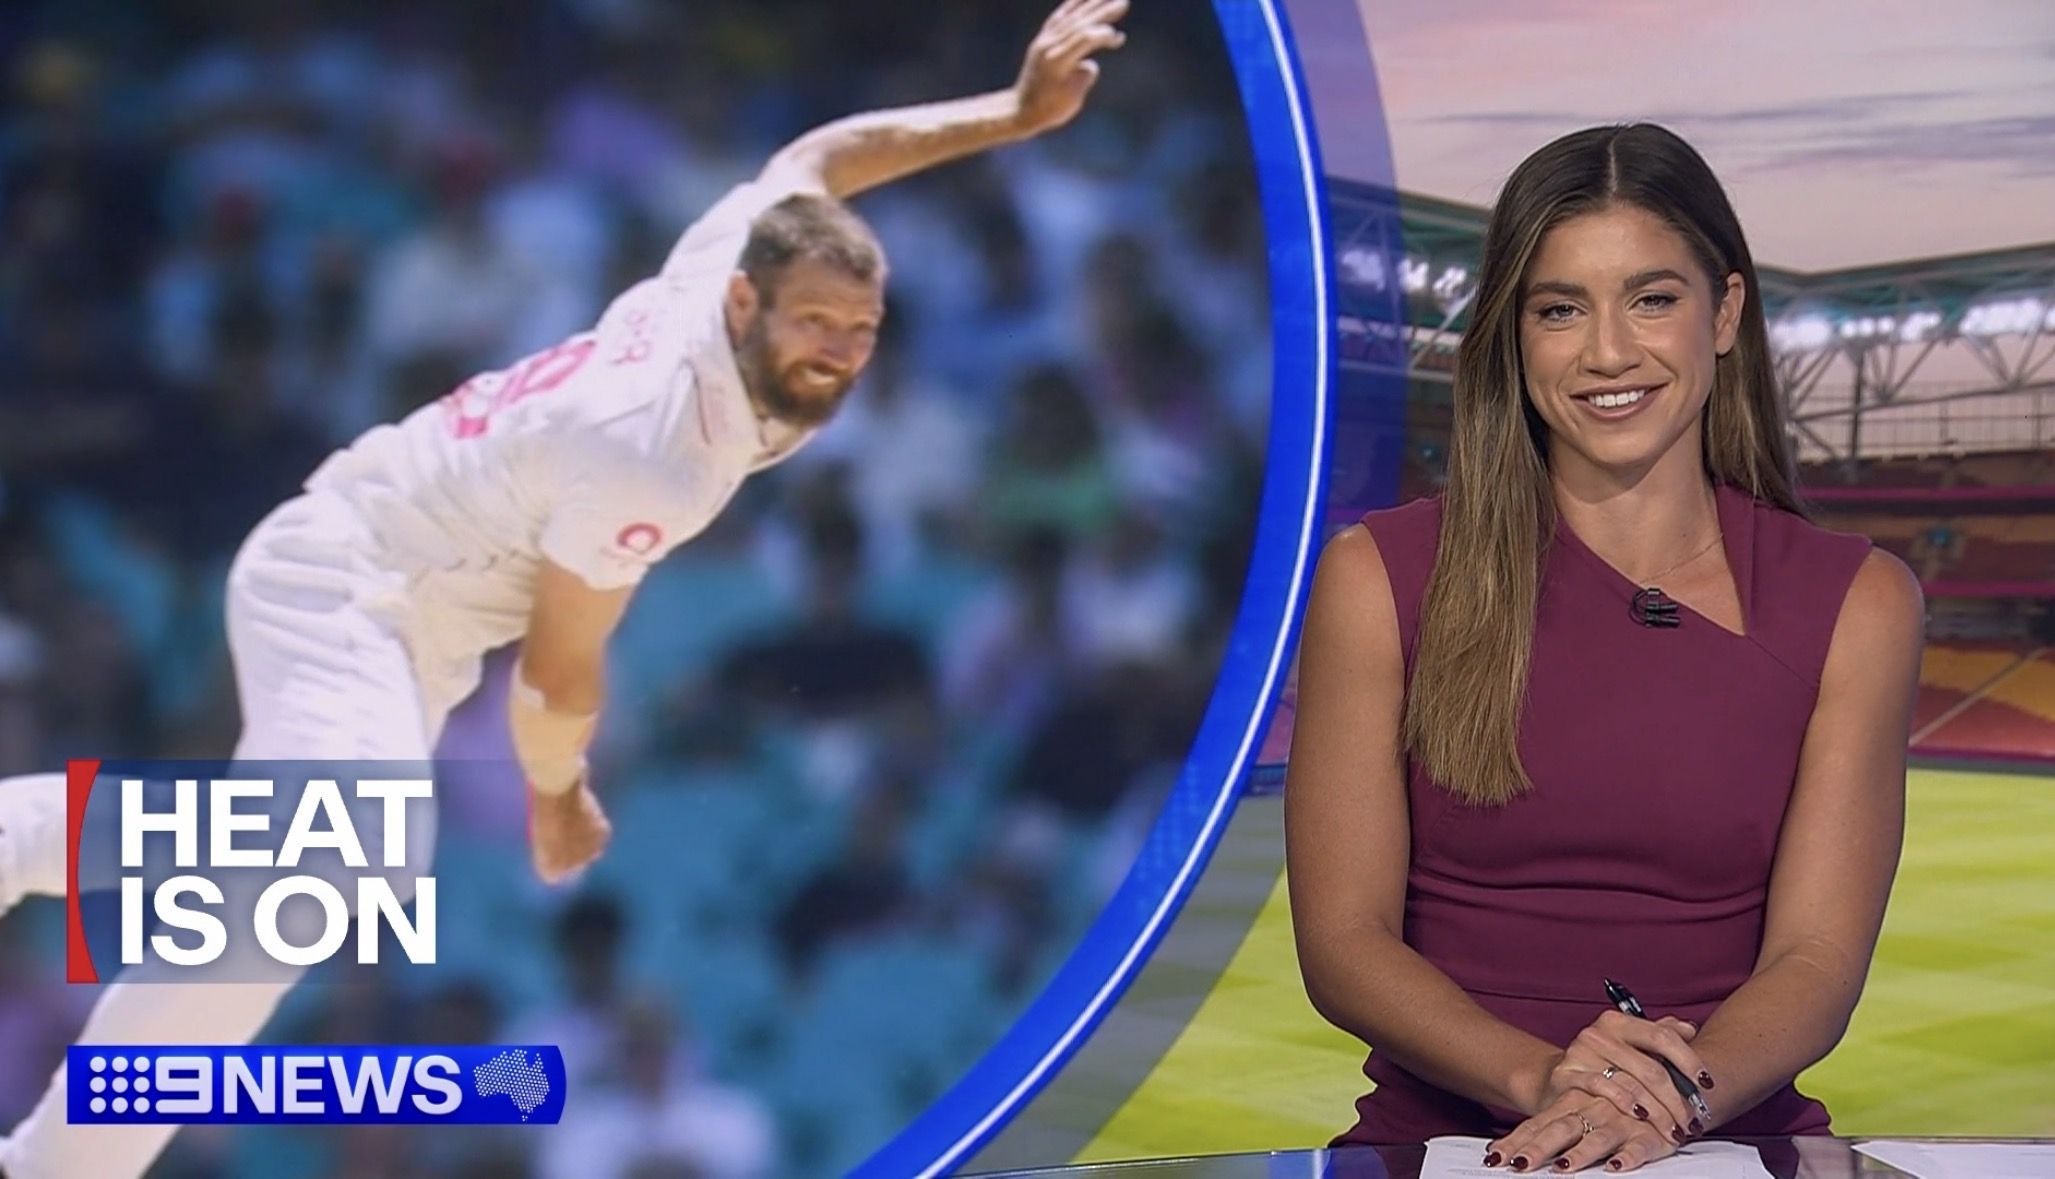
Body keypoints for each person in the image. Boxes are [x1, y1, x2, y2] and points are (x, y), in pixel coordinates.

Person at [0, 3, 1130, 1175]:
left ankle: (59, 1165)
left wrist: (1009, 115)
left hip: (410, 614)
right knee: (350, 855)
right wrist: (556, 792)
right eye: (815, 322)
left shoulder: (737, 258)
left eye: (860, 326)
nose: (840, 350)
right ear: (746, 307)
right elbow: (558, 665)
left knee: (276, 913)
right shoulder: (661, 449)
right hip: (353, 578)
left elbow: (820, 157)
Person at [1284, 123, 1923, 1175]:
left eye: (1652, 299)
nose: (1608, 352)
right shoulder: (1377, 576)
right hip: (1448, 1147)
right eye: (1559, 309)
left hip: (1723, 1138)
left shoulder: (1857, 600)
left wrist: (1663, 1104)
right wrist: (1544, 1079)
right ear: (1512, 333)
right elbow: (1344, 943)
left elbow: (1815, 958)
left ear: (1725, 311)